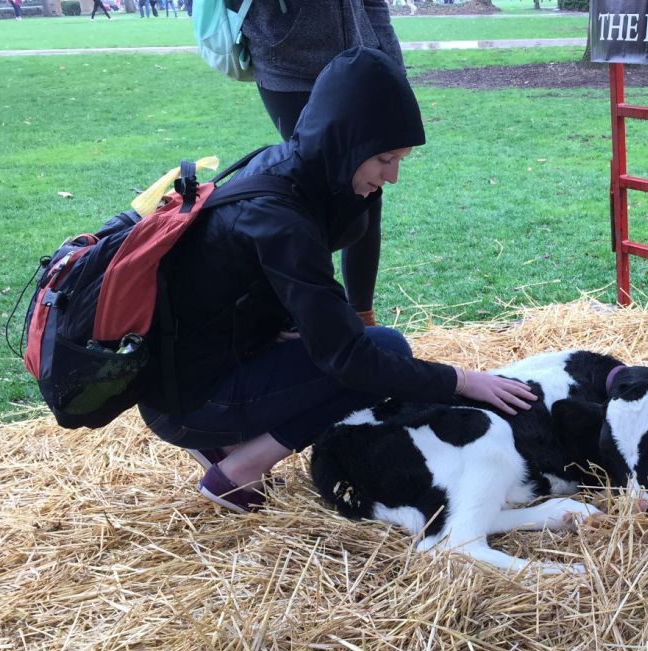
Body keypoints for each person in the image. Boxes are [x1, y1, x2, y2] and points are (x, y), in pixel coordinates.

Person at [137, 48, 536, 513]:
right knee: (381, 352)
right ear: (344, 143)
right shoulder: (281, 217)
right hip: (191, 400)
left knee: (362, 343)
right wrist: (461, 381)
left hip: (193, 373)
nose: (393, 176)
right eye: (385, 158)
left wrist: (284, 320)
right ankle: (237, 473)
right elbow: (349, 359)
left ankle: (224, 447)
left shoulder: (287, 169)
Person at [240, 0, 404, 328]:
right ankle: (311, 316)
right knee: (316, 190)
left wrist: (389, 60)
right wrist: (276, 32)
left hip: (360, 62)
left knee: (370, 189)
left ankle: (360, 315)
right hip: (291, 66)